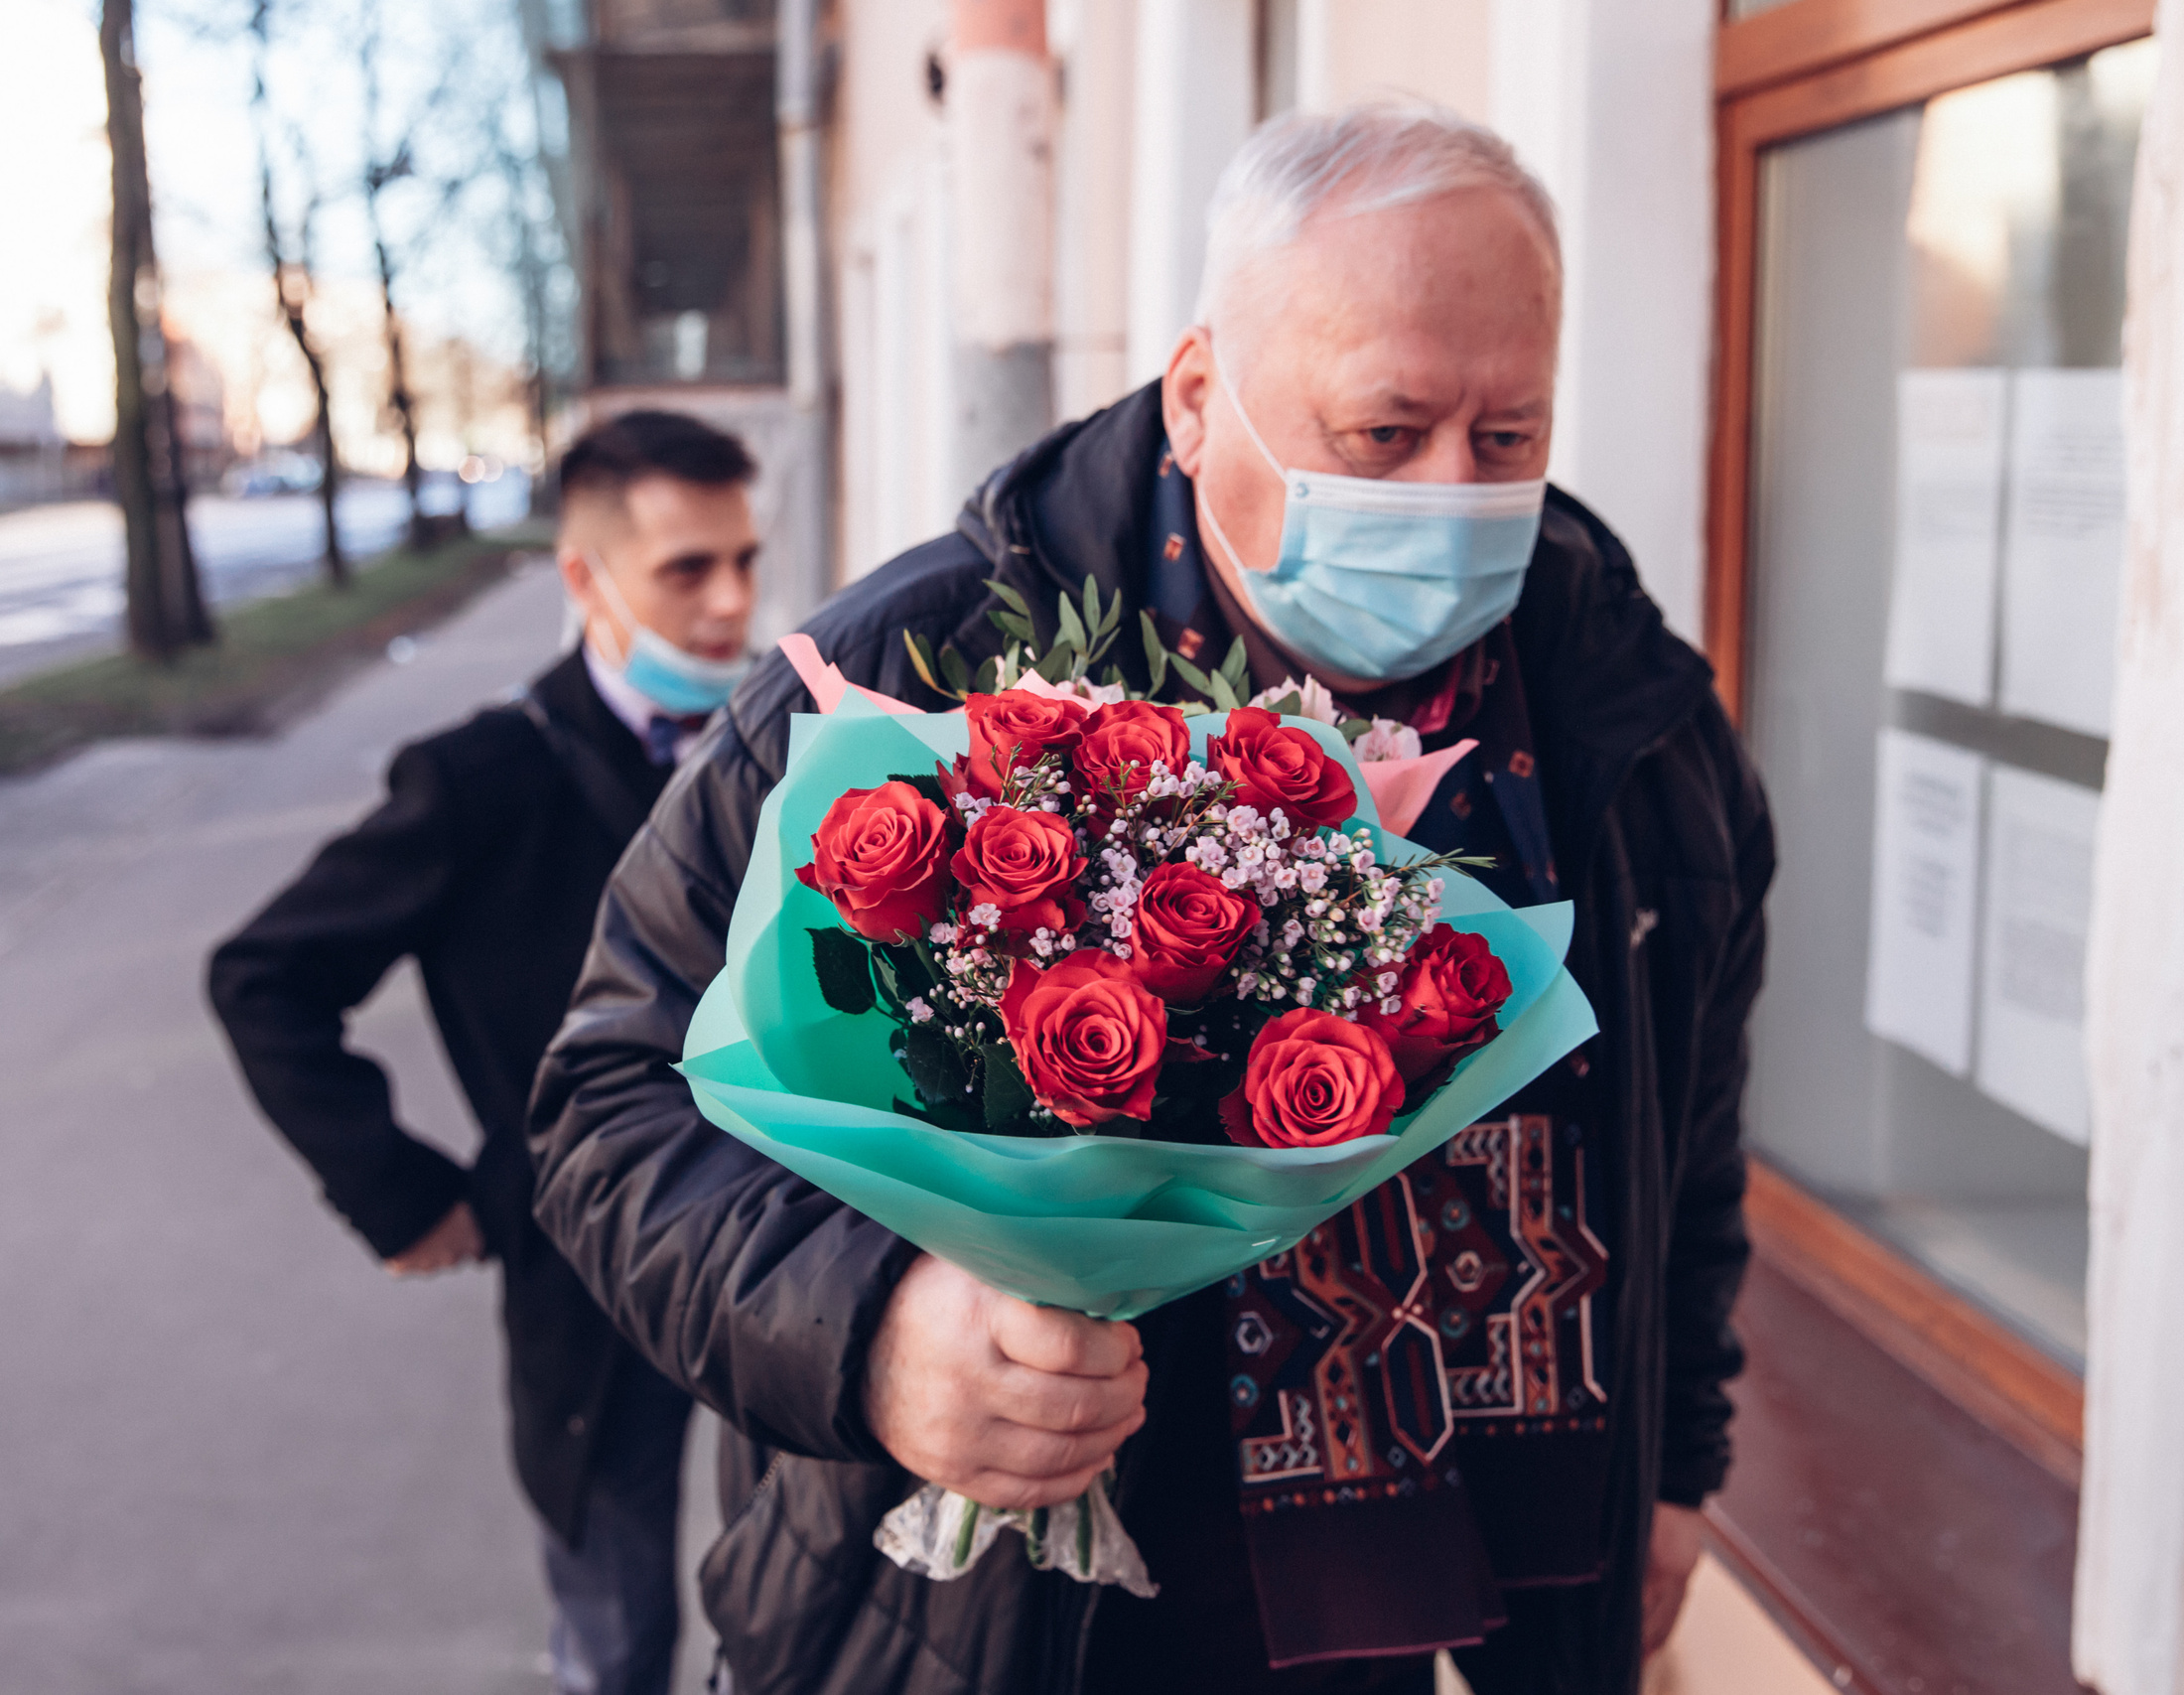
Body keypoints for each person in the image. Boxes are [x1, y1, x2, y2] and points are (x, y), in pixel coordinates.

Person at [529, 104, 1772, 1695]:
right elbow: (608, 1101)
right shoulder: (908, 688)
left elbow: (1691, 1143)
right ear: (1199, 398)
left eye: (1509, 436)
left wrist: (1677, 1472)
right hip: (1028, 1628)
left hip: (1511, 1605)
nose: (1455, 493)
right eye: (1385, 436)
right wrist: (876, 1334)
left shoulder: (1635, 716)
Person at [207, 410, 760, 1695]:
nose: (731, 601)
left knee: (802, 1607)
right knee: (614, 1638)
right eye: (689, 568)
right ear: (586, 578)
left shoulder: (781, 749)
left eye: (745, 558)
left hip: (792, 1254)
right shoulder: (480, 780)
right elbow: (261, 975)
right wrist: (402, 1191)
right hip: (589, 1272)